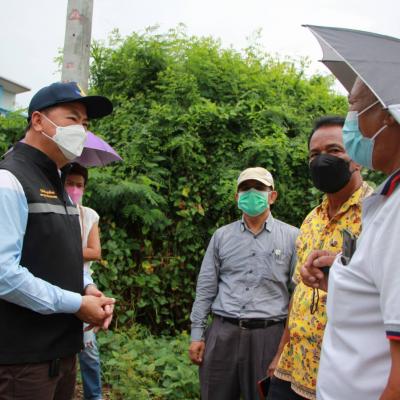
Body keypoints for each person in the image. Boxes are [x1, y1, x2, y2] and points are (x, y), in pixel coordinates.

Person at [0, 82, 115, 400]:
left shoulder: (59, 185)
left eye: (85, 124)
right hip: (24, 362)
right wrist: (77, 304)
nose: (81, 130)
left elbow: (58, 254)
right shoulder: (10, 180)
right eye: (72, 118)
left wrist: (87, 287)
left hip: (62, 354)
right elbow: (3, 274)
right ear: (38, 121)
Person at [301, 77, 400, 400]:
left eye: (354, 108)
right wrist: (342, 274)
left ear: (389, 116)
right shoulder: (386, 203)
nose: (351, 125)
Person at [266, 116, 372, 400]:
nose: (322, 160)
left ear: (358, 158)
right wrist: (280, 353)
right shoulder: (311, 219)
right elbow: (298, 293)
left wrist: (346, 271)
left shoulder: (378, 216)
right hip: (292, 368)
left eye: (334, 150)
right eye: (315, 154)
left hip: (343, 378)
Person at [189, 167, 299, 400]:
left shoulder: (293, 237)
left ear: (272, 196)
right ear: (237, 196)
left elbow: (298, 296)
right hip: (222, 334)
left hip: (268, 337)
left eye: (259, 188)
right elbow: (206, 288)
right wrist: (197, 334)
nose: (251, 193)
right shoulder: (222, 236)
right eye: (245, 188)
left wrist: (285, 348)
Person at [65, 162, 103, 400]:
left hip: (83, 283)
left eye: (79, 185)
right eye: (70, 183)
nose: (75, 189)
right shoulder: (54, 211)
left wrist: (65, 251)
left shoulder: (88, 215)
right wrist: (79, 251)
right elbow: (86, 250)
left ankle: (94, 396)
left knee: (89, 352)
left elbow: (95, 251)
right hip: (57, 284)